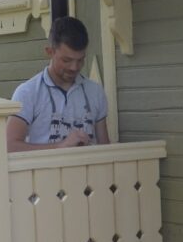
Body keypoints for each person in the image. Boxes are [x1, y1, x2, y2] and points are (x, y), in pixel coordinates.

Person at [7, 16, 111, 151]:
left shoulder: (95, 91)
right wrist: (60, 146)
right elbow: (9, 146)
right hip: (43, 172)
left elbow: (105, 148)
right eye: (67, 60)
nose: (74, 67)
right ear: (49, 52)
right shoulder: (28, 92)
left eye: (80, 60)